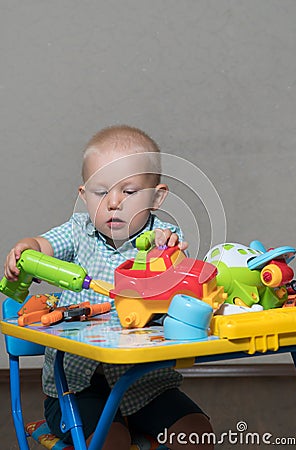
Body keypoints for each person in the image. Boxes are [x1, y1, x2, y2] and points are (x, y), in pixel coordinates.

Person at [4, 125, 214, 449]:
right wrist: (24, 249)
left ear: (157, 197)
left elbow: (179, 286)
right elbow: (43, 246)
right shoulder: (78, 232)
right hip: (76, 386)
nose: (113, 202)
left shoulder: (163, 237)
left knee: (197, 432)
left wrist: (170, 253)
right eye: (101, 192)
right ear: (83, 195)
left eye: (128, 192)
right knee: (111, 439)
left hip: (145, 384)